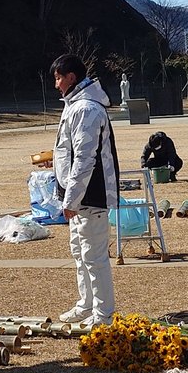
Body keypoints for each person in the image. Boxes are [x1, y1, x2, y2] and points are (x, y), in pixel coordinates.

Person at [51, 53, 118, 327]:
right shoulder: (75, 105)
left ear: (71, 77)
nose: (56, 84)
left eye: (58, 78)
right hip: (79, 197)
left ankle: (103, 315)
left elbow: (84, 158)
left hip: (90, 196)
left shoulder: (86, 108)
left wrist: (72, 198)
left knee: (94, 257)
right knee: (80, 253)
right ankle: (86, 304)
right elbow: (69, 152)